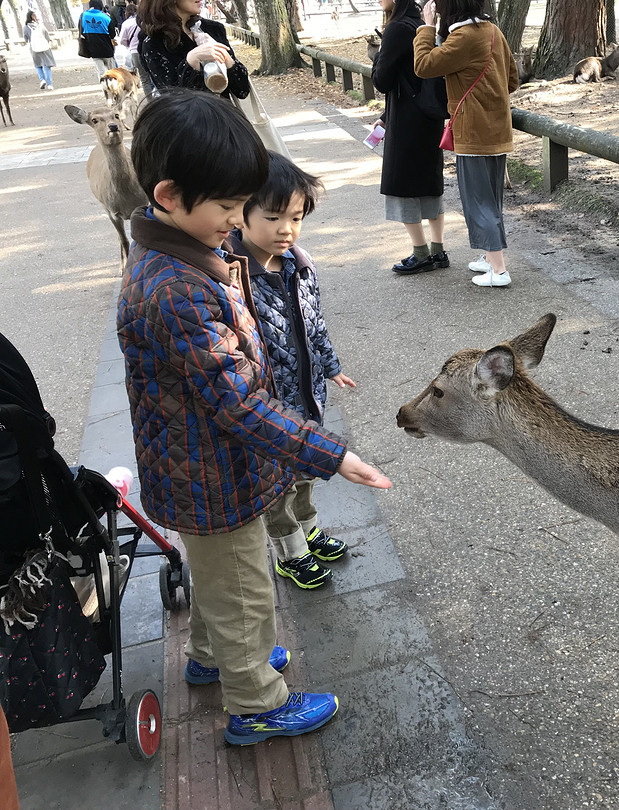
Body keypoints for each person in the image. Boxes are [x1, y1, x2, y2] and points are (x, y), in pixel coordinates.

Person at [118, 90, 392, 745]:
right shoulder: (178, 288)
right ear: (170, 196)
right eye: (228, 207)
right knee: (244, 592)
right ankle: (257, 705)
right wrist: (331, 453)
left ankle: (213, 657)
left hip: (199, 468)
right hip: (212, 478)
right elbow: (237, 402)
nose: (238, 220)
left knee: (219, 581)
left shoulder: (180, 256)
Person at [225, 152, 352, 589]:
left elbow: (314, 321)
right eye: (274, 217)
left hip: (307, 390)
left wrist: (330, 364)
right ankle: (290, 550)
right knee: (276, 479)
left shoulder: (300, 263)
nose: (287, 229)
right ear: (239, 215)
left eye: (296, 218)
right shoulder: (233, 274)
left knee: (305, 470)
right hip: (268, 400)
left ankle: (308, 527)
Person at [414, 0, 517, 288]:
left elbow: (423, 65)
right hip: (498, 130)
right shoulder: (492, 31)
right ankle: (489, 257)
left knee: (478, 201)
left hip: (473, 133)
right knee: (490, 199)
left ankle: (499, 269)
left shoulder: (463, 37)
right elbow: (512, 80)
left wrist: (426, 27)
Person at [371, 0, 448, 276]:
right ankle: (438, 250)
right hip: (428, 116)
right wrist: (385, 114)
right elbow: (413, 77)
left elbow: (381, 80)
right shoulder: (419, 24)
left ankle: (420, 253)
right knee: (429, 182)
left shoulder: (396, 29)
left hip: (406, 121)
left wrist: (378, 53)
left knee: (401, 184)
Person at [137, 0, 250, 99]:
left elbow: (242, 90)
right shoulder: (154, 43)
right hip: (190, 123)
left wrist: (223, 54)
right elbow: (172, 100)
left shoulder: (212, 29)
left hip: (226, 119)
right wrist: (191, 61)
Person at [77, 0, 118, 78]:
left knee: (101, 71)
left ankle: (104, 87)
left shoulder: (83, 16)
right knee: (113, 72)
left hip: (92, 49)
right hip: (107, 49)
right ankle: (114, 87)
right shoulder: (106, 17)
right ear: (101, 6)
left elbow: (80, 31)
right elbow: (112, 34)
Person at [23, 11, 56, 91]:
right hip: (44, 47)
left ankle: (42, 79)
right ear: (34, 16)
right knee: (47, 65)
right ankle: (49, 84)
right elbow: (47, 36)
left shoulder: (26, 27)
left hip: (34, 48)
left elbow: (26, 39)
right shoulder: (40, 25)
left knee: (38, 65)